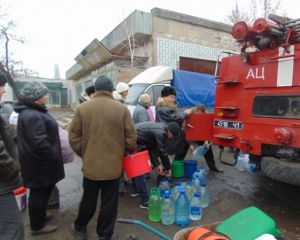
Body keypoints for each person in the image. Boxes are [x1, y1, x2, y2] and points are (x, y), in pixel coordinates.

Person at [69, 75, 136, 240]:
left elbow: (74, 137)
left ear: (95, 91)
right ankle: (105, 234)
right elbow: (131, 139)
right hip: (113, 167)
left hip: (91, 166)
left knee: (89, 198)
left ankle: (80, 228)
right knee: (109, 202)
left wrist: (84, 153)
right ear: (112, 91)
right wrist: (121, 151)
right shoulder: (122, 109)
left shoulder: (82, 109)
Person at [14, 81, 65, 235]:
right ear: (36, 97)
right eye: (44, 94)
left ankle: (40, 216)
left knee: (43, 192)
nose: (47, 96)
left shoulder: (32, 111)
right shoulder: (33, 115)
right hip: (40, 164)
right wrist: (53, 155)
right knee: (39, 194)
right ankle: (37, 226)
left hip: (39, 162)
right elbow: (40, 143)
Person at [0, 70, 25, 240]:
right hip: (2, 186)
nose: (3, 90)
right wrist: (13, 169)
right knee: (12, 230)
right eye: (1, 86)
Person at [134, 121, 180, 201]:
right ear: (169, 131)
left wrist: (157, 164)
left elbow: (152, 147)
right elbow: (162, 152)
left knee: (137, 171)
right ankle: (144, 200)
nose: (172, 138)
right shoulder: (161, 133)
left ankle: (136, 190)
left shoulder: (162, 128)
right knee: (139, 171)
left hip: (136, 137)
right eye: (173, 135)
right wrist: (168, 168)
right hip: (134, 138)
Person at [155, 86, 191, 160]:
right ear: (165, 97)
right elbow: (175, 118)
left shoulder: (163, 106)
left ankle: (170, 167)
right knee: (168, 157)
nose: (173, 99)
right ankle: (169, 169)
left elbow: (174, 116)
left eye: (174, 97)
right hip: (169, 136)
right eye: (171, 97)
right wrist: (186, 114)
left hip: (166, 135)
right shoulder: (165, 108)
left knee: (168, 156)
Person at [190, 104, 223, 172]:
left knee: (207, 149)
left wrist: (206, 140)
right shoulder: (189, 114)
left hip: (201, 133)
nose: (201, 116)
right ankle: (176, 163)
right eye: (199, 114)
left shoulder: (207, 115)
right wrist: (191, 143)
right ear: (196, 111)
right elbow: (188, 130)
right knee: (182, 148)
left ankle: (213, 167)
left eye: (202, 114)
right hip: (192, 132)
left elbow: (207, 129)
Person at [112, 81, 131, 195]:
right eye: (126, 91)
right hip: (118, 138)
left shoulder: (120, 101)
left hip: (118, 137)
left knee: (122, 161)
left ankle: (122, 182)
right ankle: (119, 188)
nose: (128, 93)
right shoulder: (118, 103)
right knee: (118, 163)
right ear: (122, 92)